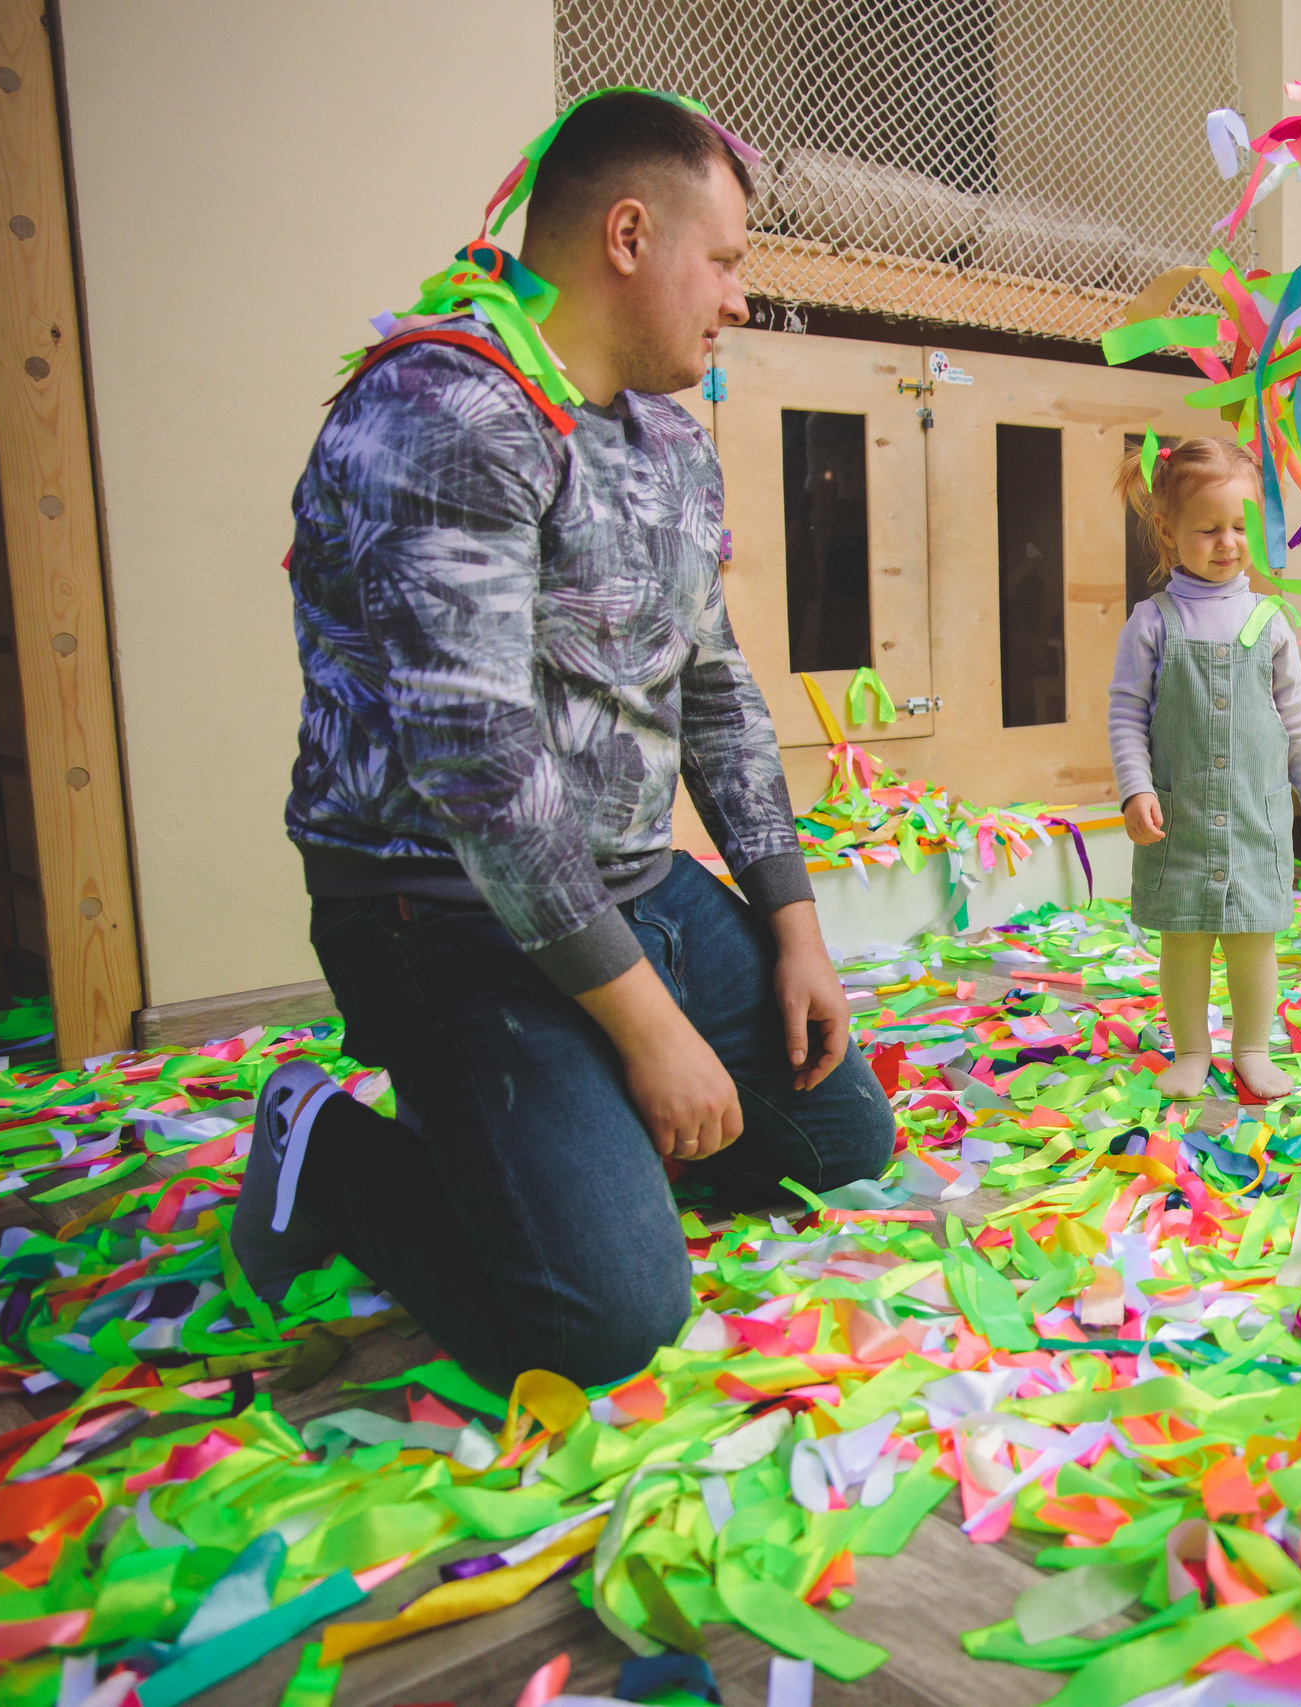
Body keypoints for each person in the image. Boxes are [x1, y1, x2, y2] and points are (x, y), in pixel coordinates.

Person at [245, 91, 897, 1392]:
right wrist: (652, 1031)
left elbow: (713, 685)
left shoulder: (668, 438)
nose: (740, 299)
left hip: (632, 886)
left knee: (840, 1139)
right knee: (609, 1325)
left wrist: (795, 925)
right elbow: (479, 770)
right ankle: (321, 1139)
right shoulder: (442, 410)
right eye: (727, 262)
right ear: (628, 234)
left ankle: (553, 1111)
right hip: (443, 921)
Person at [1110, 438, 1301, 1102]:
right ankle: (1190, 1050)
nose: (1227, 542)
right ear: (1167, 530)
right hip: (1179, 820)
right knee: (1184, 941)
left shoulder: (1270, 622)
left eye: (1241, 527)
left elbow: (1296, 717)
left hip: (1254, 818)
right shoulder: (1152, 622)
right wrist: (1135, 789)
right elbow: (1125, 714)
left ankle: (1251, 1049)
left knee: (1251, 942)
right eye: (1208, 529)